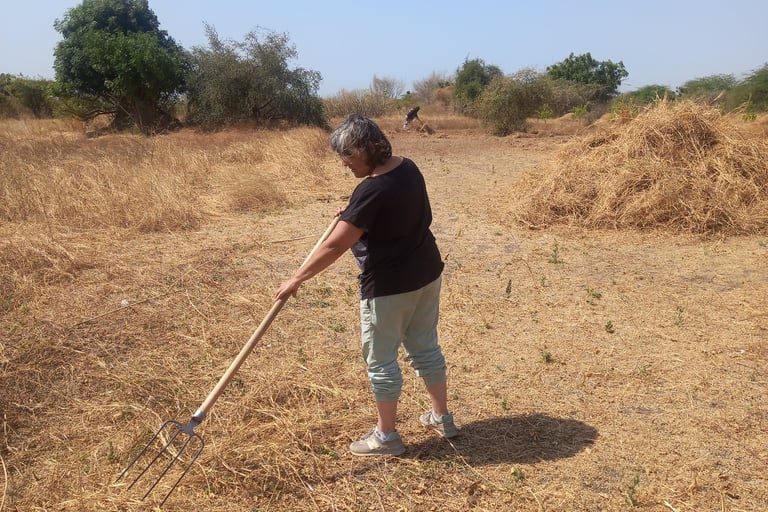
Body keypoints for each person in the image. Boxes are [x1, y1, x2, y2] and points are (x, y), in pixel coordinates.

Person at [275, 114, 457, 456]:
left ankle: (386, 437)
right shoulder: (408, 168)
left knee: (381, 361)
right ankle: (442, 418)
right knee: (425, 348)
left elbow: (335, 245)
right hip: (426, 274)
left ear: (363, 149)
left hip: (390, 287)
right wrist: (354, 212)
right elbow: (388, 211)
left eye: (347, 156)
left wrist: (297, 278)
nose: (344, 164)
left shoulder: (371, 189)